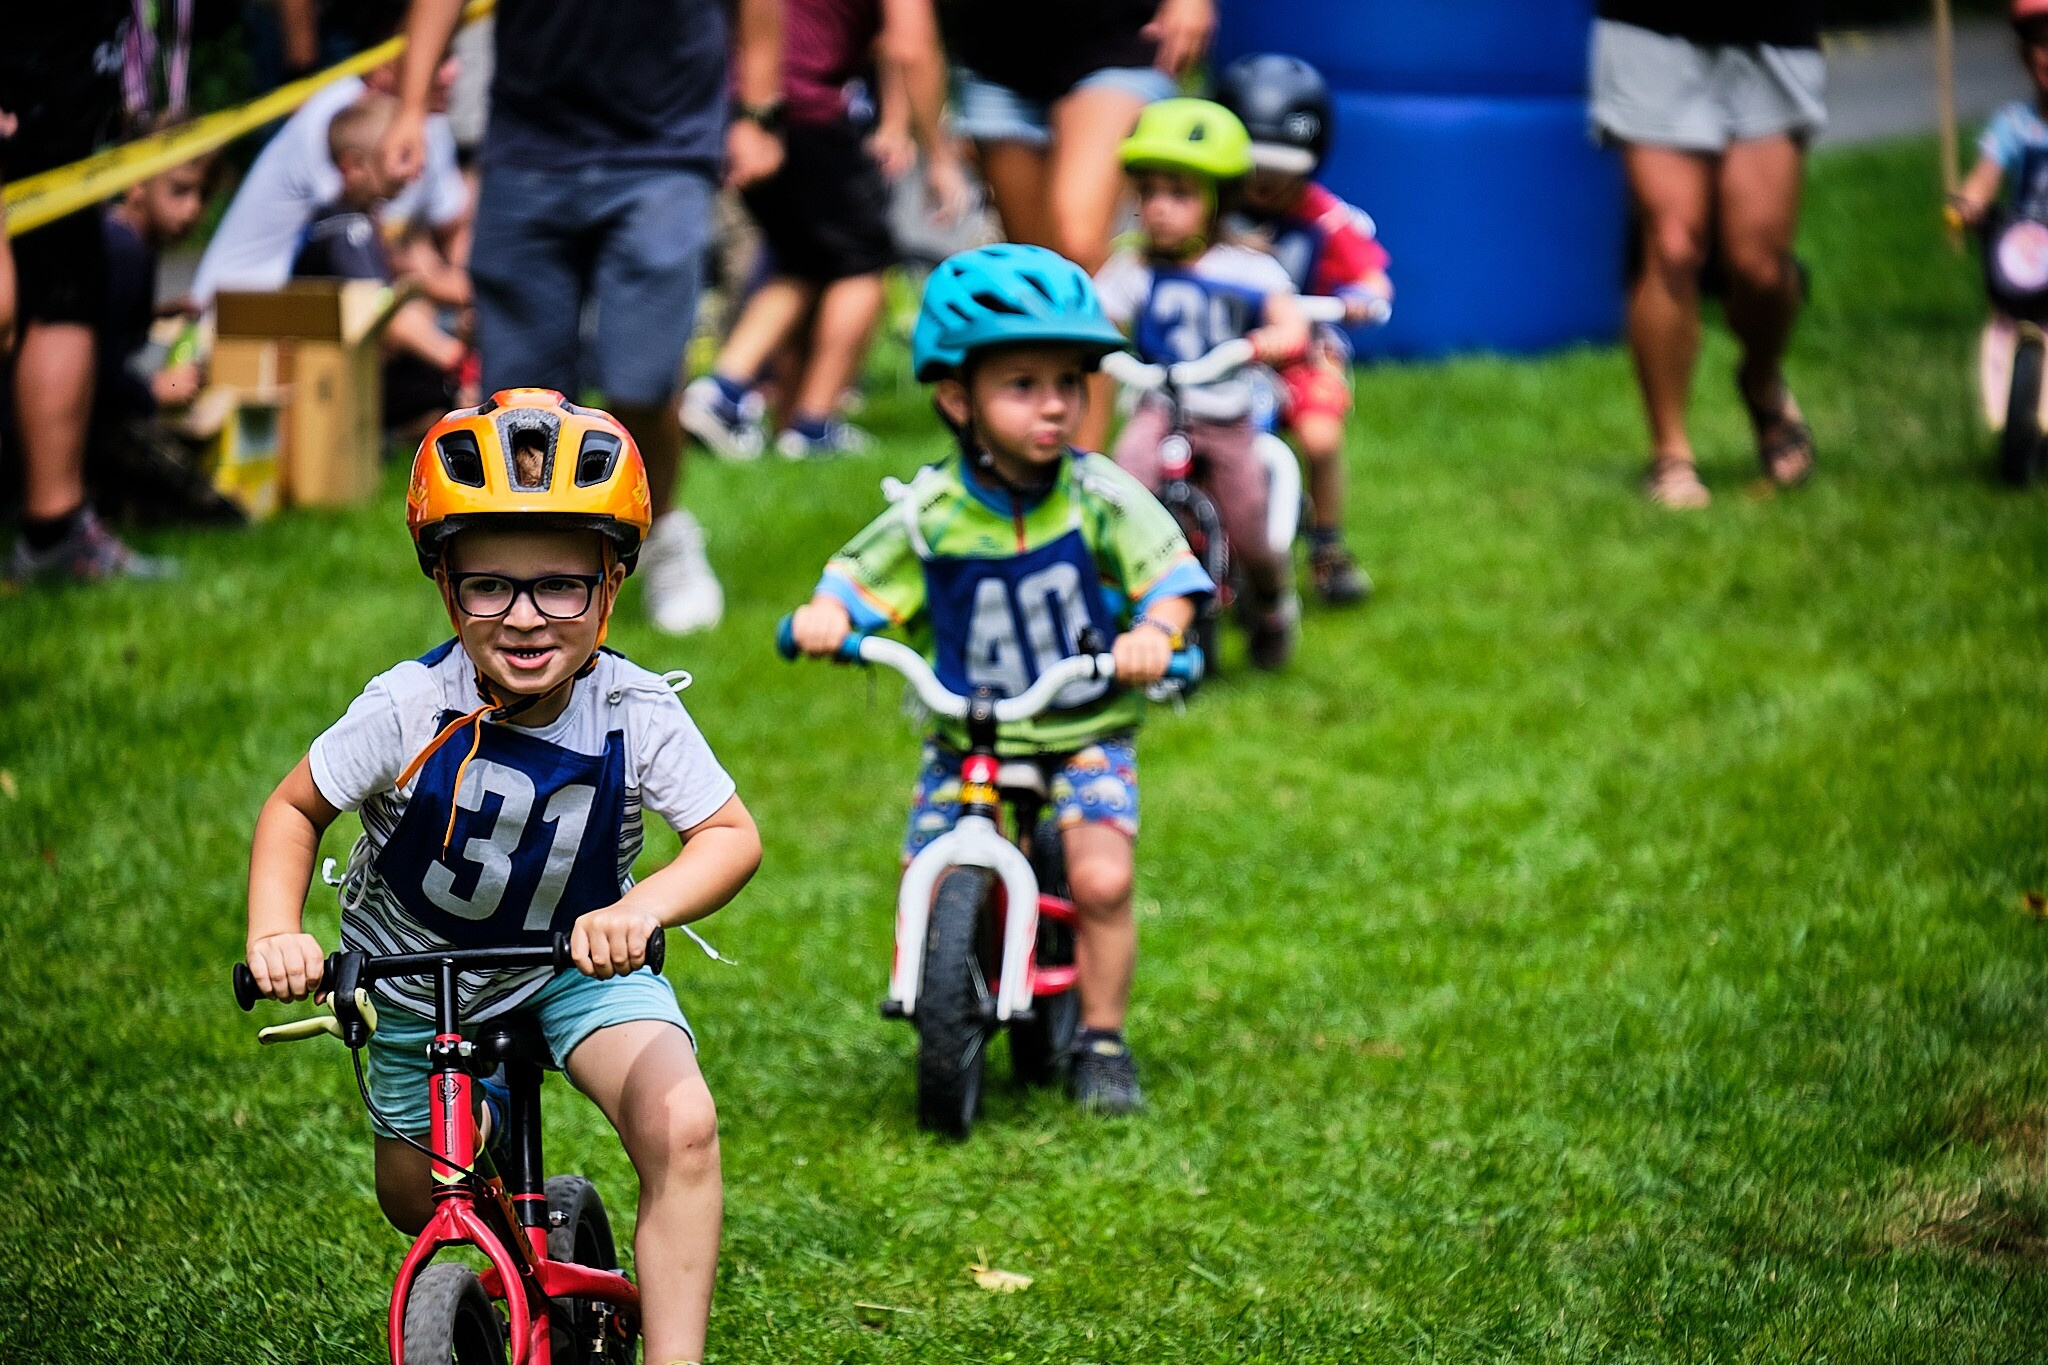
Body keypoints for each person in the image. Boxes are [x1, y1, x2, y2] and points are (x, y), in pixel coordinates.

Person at [243, 390, 761, 1365]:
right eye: (490, 586)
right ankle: (489, 1177)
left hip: (577, 965)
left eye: (561, 586)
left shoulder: (633, 708)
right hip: (417, 980)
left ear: (612, 586)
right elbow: (293, 809)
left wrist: (641, 908)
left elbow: (729, 835)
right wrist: (276, 929)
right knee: (418, 1197)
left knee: (683, 1125)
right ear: (447, 589)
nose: (525, 618)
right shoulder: (406, 708)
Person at [786, 244, 1212, 1114]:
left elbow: (1168, 577)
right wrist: (830, 615)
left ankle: (1102, 1039)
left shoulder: (1099, 495)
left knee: (1101, 879)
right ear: (958, 399)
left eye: (1069, 383)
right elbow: (860, 577)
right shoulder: (933, 512)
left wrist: (1155, 634)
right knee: (933, 867)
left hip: (1082, 722)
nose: (1054, 404)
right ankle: (951, 972)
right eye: (1022, 385)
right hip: (968, 732)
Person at [383, 0, 788, 637]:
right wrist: (410, 108)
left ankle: (662, 535)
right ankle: (532, 567)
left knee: (644, 380)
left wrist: (757, 113)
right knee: (520, 400)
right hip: (529, 146)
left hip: (665, 145)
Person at [681, 0, 969, 461]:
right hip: (804, 108)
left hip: (738, 107)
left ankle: (721, 394)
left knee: (802, 262)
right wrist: (939, 154)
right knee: (865, 265)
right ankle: (812, 427)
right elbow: (910, 45)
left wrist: (894, 123)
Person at [1094, 99, 1309, 669]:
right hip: (1159, 405)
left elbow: (1289, 320)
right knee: (1126, 481)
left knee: (1249, 521)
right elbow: (1096, 313)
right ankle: (1123, 600)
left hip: (1226, 412)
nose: (1159, 209)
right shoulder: (1133, 269)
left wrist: (1273, 339)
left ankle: (1271, 601)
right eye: (1149, 193)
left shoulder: (1247, 268)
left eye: (1180, 194)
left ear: (1219, 200)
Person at [945, 0, 1213, 452]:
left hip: (1113, 40)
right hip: (997, 53)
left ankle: (1085, 464)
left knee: (1077, 249)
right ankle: (1039, 455)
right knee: (1034, 283)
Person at [1591, 0, 1824, 508]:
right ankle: (1670, 453)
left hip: (1772, 29)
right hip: (1650, 25)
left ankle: (1761, 379)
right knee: (1672, 244)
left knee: (1760, 268)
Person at [4, 3, 177, 582]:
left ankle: (57, 534)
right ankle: (54, 533)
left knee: (66, 293)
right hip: (29, 100)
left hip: (60, 137)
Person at [1218, 53, 1391, 609]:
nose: (1266, 181)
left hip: (1302, 354)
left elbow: (1372, 275)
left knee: (1320, 437)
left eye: (1282, 167)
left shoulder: (1325, 216)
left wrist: (1363, 297)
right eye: (1254, 165)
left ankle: (1327, 545)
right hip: (1227, 351)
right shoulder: (1210, 209)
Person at [190, 51, 469, 307]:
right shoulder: (338, 113)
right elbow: (378, 266)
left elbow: (451, 228)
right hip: (240, 307)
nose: (453, 70)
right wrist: (438, 283)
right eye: (440, 56)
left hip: (303, 302)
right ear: (386, 62)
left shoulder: (423, 123)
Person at [292, 95, 472, 430]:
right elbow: (382, 314)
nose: (414, 169)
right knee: (451, 398)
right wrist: (458, 361)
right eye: (402, 155)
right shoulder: (347, 231)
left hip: (350, 372)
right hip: (335, 383)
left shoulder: (358, 221)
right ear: (354, 166)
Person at [1947, 0, 2048, 434]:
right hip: (2029, 246)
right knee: (2005, 317)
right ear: (2025, 57)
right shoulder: (2015, 123)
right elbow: (1985, 175)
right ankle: (2004, 411)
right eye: (2040, 44)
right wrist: (1969, 202)